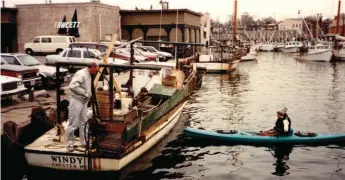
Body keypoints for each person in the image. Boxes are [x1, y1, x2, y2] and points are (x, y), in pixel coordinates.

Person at [66, 61, 99, 152]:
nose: (96, 71)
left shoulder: (89, 74)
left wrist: (88, 96)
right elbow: (73, 86)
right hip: (76, 101)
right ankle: (70, 144)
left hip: (83, 102)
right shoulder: (81, 74)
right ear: (91, 67)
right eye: (96, 69)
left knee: (84, 122)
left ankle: (84, 141)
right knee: (73, 123)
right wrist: (85, 93)